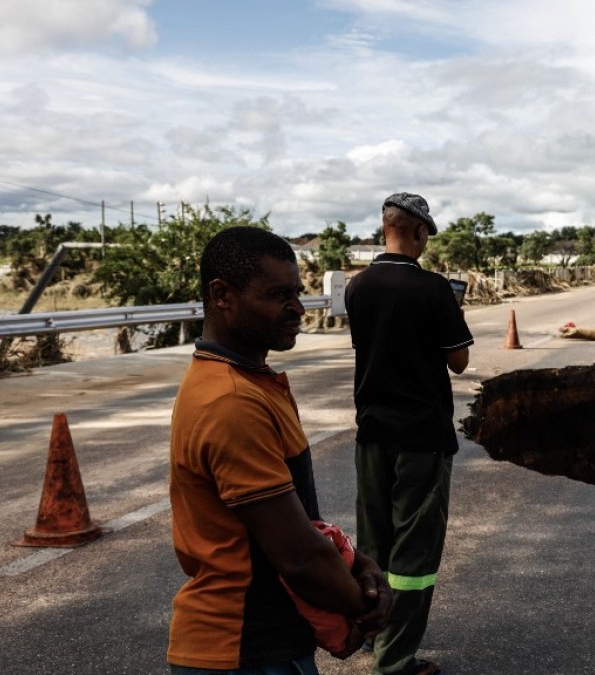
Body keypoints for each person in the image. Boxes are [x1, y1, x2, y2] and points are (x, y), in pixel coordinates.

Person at [169, 226, 392, 674]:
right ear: (221, 295)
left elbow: (303, 522)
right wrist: (366, 607)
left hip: (267, 646)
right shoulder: (231, 400)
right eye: (277, 295)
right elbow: (299, 556)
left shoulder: (252, 383)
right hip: (243, 650)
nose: (297, 309)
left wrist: (358, 565)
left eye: (297, 292)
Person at [345, 192, 474, 675]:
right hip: (421, 434)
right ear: (419, 231)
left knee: (373, 543)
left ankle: (371, 633)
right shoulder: (433, 289)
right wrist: (452, 312)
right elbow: (458, 361)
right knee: (414, 552)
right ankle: (395, 661)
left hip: (372, 430)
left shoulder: (357, 287)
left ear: (385, 228)